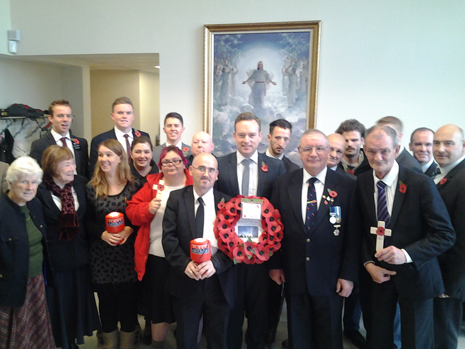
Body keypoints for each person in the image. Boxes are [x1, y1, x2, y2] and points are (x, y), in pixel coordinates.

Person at [357, 125, 455, 349]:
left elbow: (445, 234)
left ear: (397, 149)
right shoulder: (362, 182)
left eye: (384, 151)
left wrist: (406, 254)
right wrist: (368, 263)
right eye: (371, 151)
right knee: (377, 337)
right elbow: (359, 230)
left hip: (417, 275)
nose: (377, 157)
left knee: (416, 341)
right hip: (378, 276)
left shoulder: (420, 183)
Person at [269, 129, 360, 348]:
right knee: (298, 335)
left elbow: (354, 234)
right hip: (294, 274)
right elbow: (272, 229)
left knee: (328, 336)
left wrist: (348, 275)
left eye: (320, 148)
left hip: (331, 278)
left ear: (328, 151)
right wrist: (275, 265)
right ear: (299, 152)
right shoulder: (283, 183)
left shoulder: (348, 185)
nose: (314, 153)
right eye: (307, 148)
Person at [215, 112, 285, 349]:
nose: (247, 140)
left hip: (262, 254)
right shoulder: (220, 165)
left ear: (260, 137)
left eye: (252, 135)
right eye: (242, 135)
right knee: (231, 309)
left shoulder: (275, 167)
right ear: (234, 136)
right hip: (229, 253)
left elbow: (280, 210)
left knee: (259, 311)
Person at [162, 153, 236, 348]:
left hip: (219, 283)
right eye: (201, 168)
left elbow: (236, 245)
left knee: (218, 339)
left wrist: (216, 264)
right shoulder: (176, 199)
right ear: (191, 170)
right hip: (186, 280)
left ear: (217, 175)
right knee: (186, 338)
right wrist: (184, 264)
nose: (206, 173)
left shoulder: (228, 203)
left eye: (211, 170)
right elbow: (169, 239)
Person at [126, 145, 193, 349]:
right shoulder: (152, 184)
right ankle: (157, 344)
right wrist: (147, 209)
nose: (171, 165)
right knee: (158, 307)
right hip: (157, 255)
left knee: (188, 306)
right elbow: (132, 211)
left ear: (184, 163)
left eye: (176, 161)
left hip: (187, 258)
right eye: (166, 162)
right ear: (160, 165)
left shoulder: (194, 183)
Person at [36, 145, 100, 349]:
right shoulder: (40, 190)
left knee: (77, 303)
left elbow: (89, 217)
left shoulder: (80, 184)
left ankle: (73, 342)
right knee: (59, 306)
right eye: (67, 164)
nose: (73, 167)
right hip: (55, 260)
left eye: (72, 162)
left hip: (80, 256)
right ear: (52, 167)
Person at [86, 139, 141, 349]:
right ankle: (109, 344)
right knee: (107, 307)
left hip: (127, 257)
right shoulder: (91, 187)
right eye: (100, 155)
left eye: (109, 155)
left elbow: (141, 218)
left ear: (120, 158)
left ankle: (127, 344)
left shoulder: (134, 185)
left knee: (128, 307)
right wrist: (102, 234)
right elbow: (87, 221)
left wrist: (130, 228)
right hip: (101, 258)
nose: (104, 159)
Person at [0, 156, 55, 348]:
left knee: (36, 329)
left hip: (35, 280)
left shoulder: (35, 205)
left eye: (33, 182)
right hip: (10, 286)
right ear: (11, 182)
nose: (29, 187)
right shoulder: (2, 210)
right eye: (23, 181)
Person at [432, 124, 465, 349]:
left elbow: (462, 239)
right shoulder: (438, 174)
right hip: (434, 273)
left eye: (448, 143)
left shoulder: (462, 180)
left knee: (443, 337)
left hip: (447, 279)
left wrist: (451, 284)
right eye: (436, 143)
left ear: (463, 146)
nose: (440, 148)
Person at [30, 99, 89, 178]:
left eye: (68, 116)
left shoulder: (81, 143)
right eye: (60, 116)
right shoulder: (39, 145)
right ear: (51, 118)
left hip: (77, 188)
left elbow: (85, 171)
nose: (65, 119)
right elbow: (35, 175)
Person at [90, 97, 150, 174]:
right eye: (120, 113)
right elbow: (94, 171)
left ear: (133, 116)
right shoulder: (99, 140)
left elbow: (149, 164)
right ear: (112, 116)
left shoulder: (144, 136)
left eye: (128, 113)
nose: (124, 116)